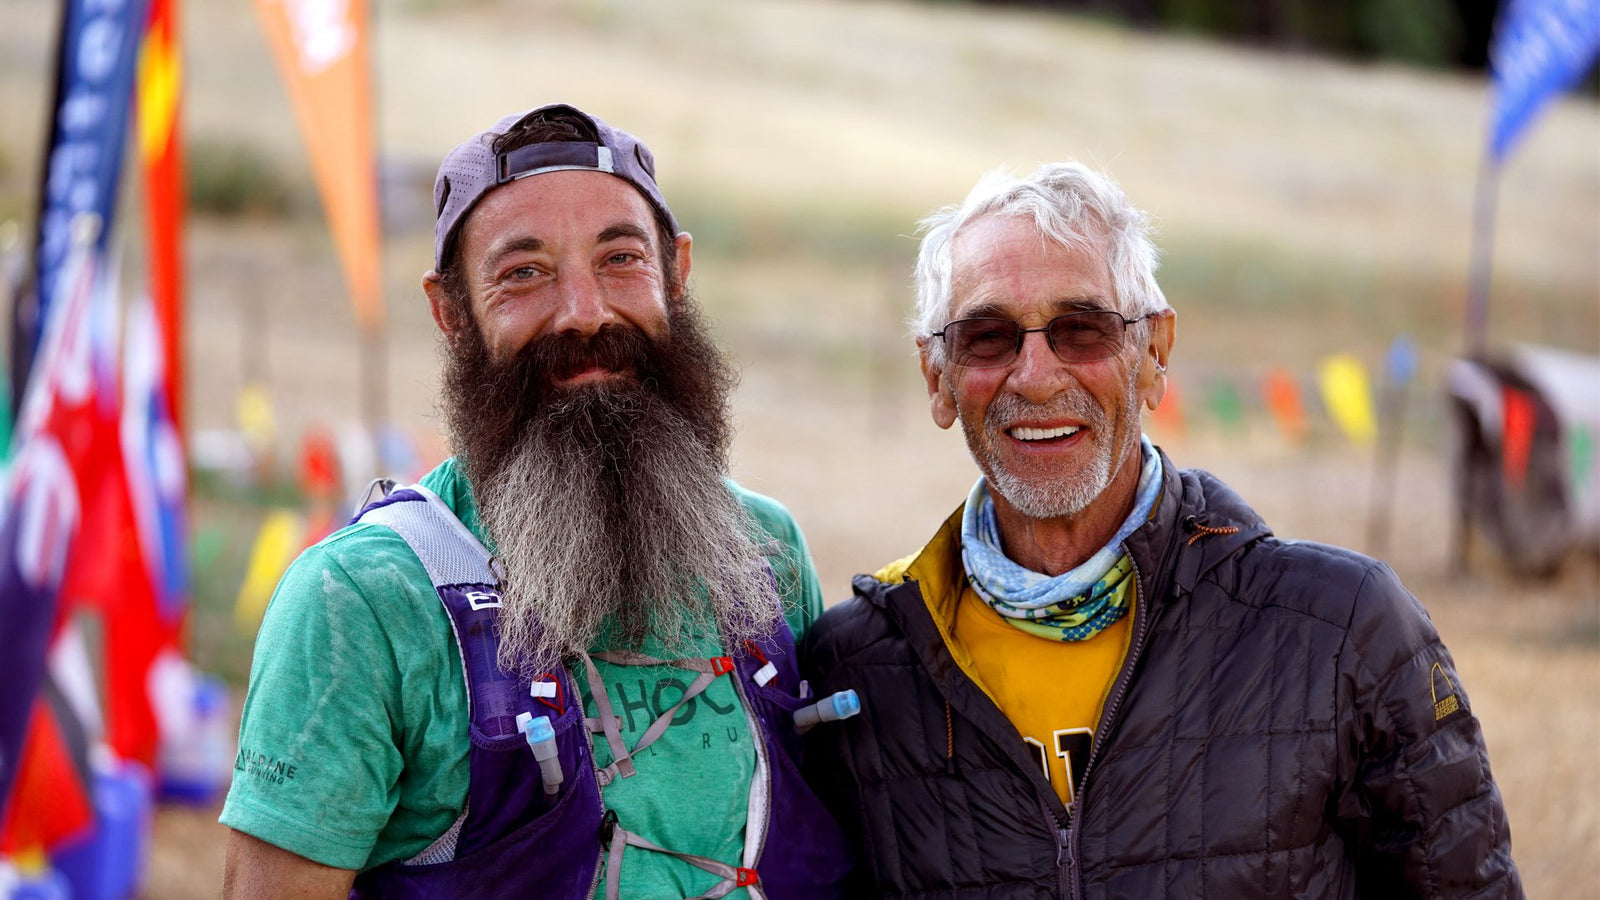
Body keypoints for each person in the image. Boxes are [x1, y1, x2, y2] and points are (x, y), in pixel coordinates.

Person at [800, 162, 1523, 898]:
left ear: (1153, 355)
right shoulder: (856, 673)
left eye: (1081, 330)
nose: (1037, 376)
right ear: (937, 376)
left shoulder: (1342, 631)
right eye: (987, 337)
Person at [220, 103, 850, 898]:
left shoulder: (766, 550)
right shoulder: (361, 603)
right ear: (451, 312)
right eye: (524, 273)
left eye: (621, 259)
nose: (585, 312)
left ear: (677, 275)